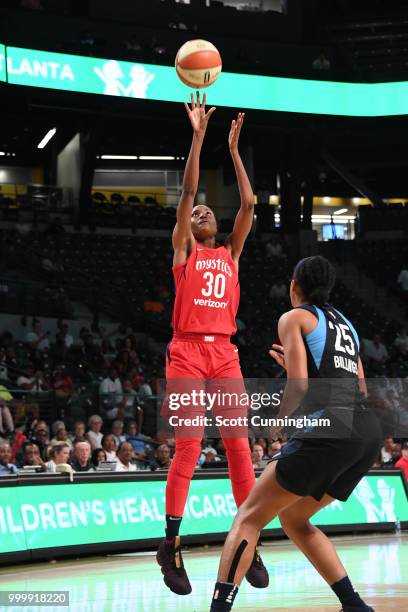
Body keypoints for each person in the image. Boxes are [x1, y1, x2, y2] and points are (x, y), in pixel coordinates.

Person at [210, 256, 381, 612]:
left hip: (332, 427)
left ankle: (218, 609)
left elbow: (298, 385)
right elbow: (359, 389)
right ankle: (354, 605)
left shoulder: (293, 317)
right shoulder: (348, 326)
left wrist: (277, 420)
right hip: (366, 433)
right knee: (294, 517)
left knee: (248, 516)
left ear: (295, 286)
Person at [157, 92, 268, 596]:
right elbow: (186, 192)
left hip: (224, 353)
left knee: (240, 449)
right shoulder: (183, 250)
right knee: (187, 446)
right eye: (194, 210)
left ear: (217, 226)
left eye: (205, 210)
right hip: (185, 349)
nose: (199, 209)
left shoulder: (232, 253)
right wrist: (198, 137)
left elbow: (248, 202)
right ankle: (172, 544)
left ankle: (250, 540)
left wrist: (236, 151)